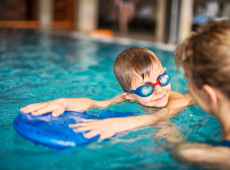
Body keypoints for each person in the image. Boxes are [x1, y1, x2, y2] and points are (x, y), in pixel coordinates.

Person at [20, 47, 194, 141]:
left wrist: (116, 125)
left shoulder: (176, 100)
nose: (159, 89)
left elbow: (159, 118)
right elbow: (97, 104)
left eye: (162, 79)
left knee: (166, 134)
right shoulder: (128, 99)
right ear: (129, 95)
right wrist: (63, 102)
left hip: (193, 100)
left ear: (165, 72)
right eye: (146, 88)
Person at [173, 20, 230, 169]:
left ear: (209, 94)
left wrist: (163, 127)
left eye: (188, 82)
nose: (189, 89)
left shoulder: (198, 155)